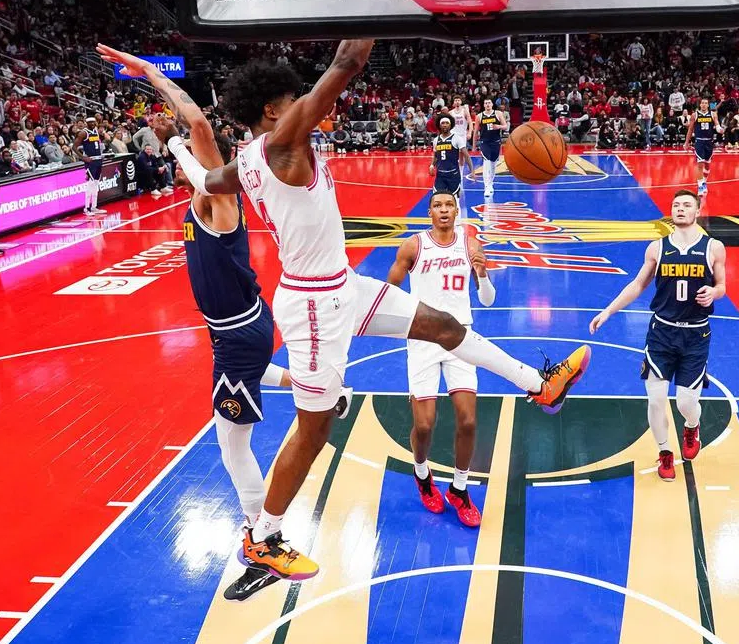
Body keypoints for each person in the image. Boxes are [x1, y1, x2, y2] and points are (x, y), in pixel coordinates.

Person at [151, 40, 591, 581]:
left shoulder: (243, 162)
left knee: (445, 326)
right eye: (295, 97)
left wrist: (166, 114)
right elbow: (347, 63)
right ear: (273, 109)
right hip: (314, 308)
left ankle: (538, 386)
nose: (307, 104)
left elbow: (206, 177)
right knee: (313, 432)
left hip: (343, 286)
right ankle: (262, 537)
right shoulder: (284, 142)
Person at [98, 44, 353, 600]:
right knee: (253, 386)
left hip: (237, 332)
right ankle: (325, 392)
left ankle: (263, 533)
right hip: (244, 330)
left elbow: (196, 125)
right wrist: (148, 75)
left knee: (231, 440)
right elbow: (192, 122)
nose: (192, 150)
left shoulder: (218, 203)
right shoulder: (205, 183)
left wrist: (158, 89)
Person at [589, 190, 726, 481]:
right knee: (655, 400)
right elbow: (638, 285)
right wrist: (608, 311)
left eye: (687, 205)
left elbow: (722, 285)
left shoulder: (713, 248)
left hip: (696, 335)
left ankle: (691, 427)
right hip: (661, 333)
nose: (680, 209)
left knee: (686, 404)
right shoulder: (657, 248)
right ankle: (665, 451)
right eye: (676, 205)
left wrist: (714, 292)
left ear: (697, 211)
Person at [387, 191, 494, 527]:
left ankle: (459, 490)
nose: (444, 210)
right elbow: (389, 291)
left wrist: (484, 273)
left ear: (457, 211)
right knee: (424, 424)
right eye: (438, 205)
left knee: (468, 421)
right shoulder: (413, 246)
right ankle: (422, 475)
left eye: (449, 205)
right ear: (429, 212)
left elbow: (488, 301)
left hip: (460, 337)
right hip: (422, 337)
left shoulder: (471, 246)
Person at [682, 99, 722, 197]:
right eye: (702, 103)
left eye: (705, 103)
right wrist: (686, 142)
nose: (704, 105)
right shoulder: (694, 115)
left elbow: (717, 124)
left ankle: (704, 181)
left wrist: (719, 129)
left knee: (707, 165)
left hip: (709, 142)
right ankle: (700, 185)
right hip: (699, 141)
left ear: (708, 105)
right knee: (700, 164)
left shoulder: (713, 114)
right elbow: (690, 129)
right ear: (700, 105)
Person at [430, 115, 473, 198]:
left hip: (453, 175)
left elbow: (466, 156)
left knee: (454, 201)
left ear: (450, 125)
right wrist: (432, 165)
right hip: (440, 175)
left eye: (447, 123)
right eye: (443, 123)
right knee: (438, 199)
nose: (445, 125)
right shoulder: (436, 140)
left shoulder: (456, 138)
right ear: (439, 125)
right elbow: (435, 156)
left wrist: (472, 171)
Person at [472, 99, 507, 199]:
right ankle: (486, 186)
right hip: (484, 142)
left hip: (496, 142)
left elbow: (505, 126)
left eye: (489, 103)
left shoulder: (498, 113)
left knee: (493, 164)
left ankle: (491, 183)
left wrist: (498, 126)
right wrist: (474, 145)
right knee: (486, 163)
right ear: (484, 105)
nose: (487, 104)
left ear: (492, 104)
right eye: (485, 103)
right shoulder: (479, 116)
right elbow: (475, 132)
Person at [74, 117, 107, 216]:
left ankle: (94, 207)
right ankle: (86, 208)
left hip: (98, 160)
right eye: (90, 122)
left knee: (96, 184)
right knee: (90, 184)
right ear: (87, 123)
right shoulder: (83, 133)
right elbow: (74, 147)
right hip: (90, 161)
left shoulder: (96, 131)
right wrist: (83, 157)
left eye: (94, 122)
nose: (93, 124)